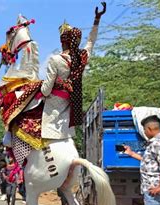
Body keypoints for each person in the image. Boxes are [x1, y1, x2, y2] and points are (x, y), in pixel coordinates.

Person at [11, 3, 106, 165]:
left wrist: (39, 86)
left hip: (53, 108)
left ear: (63, 42)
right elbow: (91, 42)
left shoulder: (55, 60)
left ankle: (22, 163)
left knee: (20, 118)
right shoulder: (82, 57)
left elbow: (46, 91)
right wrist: (97, 20)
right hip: (72, 105)